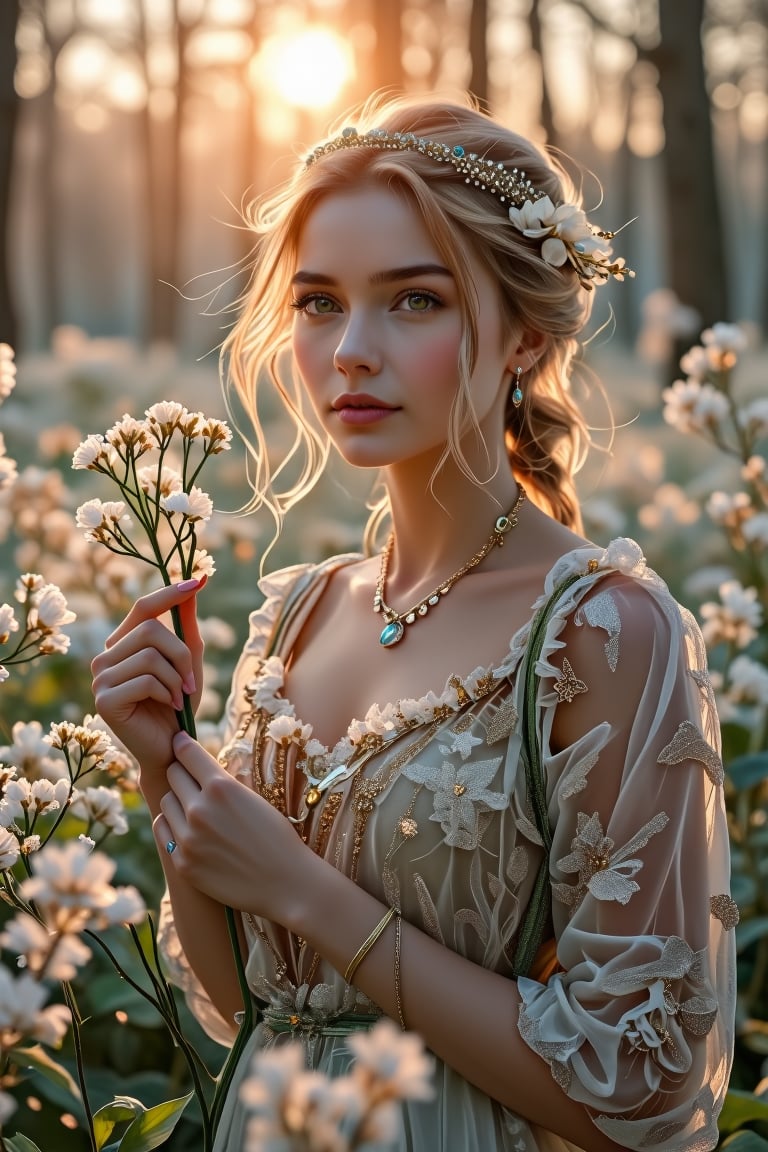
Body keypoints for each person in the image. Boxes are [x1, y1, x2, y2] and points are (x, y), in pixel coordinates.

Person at [91, 93, 736, 1151]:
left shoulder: (605, 635)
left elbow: (638, 1089)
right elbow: (250, 1004)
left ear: (526, 333)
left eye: (415, 302)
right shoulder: (299, 613)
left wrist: (309, 893)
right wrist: (163, 767)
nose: (350, 349)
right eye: (316, 303)